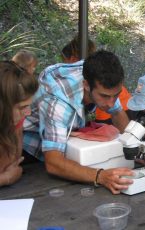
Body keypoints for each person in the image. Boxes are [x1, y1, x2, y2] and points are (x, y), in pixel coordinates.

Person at [23, 50, 133, 194]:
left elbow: (117, 113)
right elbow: (54, 162)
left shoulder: (97, 74)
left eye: (116, 95)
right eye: (105, 96)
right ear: (86, 85)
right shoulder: (57, 103)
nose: (111, 103)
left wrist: (135, 146)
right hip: (27, 150)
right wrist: (100, 176)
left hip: (61, 144)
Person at [61, 35, 135, 123]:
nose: (111, 103)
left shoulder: (96, 85)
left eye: (64, 62)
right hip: (129, 107)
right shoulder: (99, 72)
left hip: (111, 116)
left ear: (73, 59)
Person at [0, 61, 38, 186]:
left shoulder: (14, 120)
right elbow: (6, 171)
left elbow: (12, 162)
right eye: (21, 107)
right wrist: (5, 179)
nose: (28, 113)